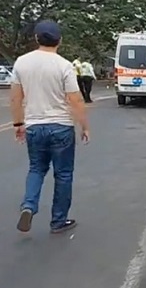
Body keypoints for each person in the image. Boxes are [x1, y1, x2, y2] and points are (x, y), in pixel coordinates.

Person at [10, 19, 91, 234]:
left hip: (35, 126)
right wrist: (84, 126)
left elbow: (16, 98)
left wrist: (18, 123)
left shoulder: (21, 63)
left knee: (36, 168)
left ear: (36, 38)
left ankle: (29, 205)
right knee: (63, 174)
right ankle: (58, 221)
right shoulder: (64, 65)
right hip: (61, 127)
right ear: (59, 41)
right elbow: (75, 100)